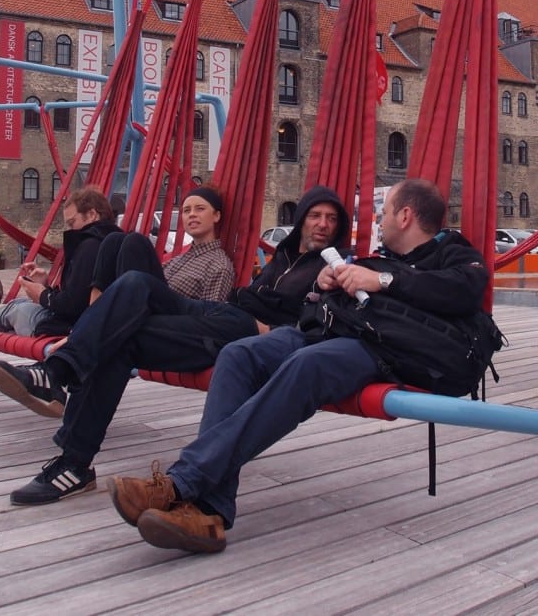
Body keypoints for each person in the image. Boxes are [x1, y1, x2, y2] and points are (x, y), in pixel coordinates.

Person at [108, 178, 488, 554]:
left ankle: (182, 484)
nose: (379, 220)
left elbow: (464, 290)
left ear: (405, 216)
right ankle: (211, 510)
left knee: (307, 364)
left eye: (384, 212)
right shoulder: (381, 256)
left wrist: (381, 280)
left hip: (381, 351)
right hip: (329, 332)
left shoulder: (452, 253)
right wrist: (326, 286)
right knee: (240, 354)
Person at [0, 185, 351, 506]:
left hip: (245, 334)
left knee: (125, 310)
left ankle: (59, 392)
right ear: (301, 220)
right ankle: (72, 456)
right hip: (221, 315)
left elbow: (317, 325)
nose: (322, 224)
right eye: (315, 216)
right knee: (129, 295)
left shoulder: (333, 270)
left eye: (331, 219)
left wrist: (280, 320)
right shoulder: (284, 259)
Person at [0, 186, 120, 337]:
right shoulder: (116, 241)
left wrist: (42, 294)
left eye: (72, 223)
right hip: (90, 325)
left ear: (92, 214)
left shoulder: (90, 245)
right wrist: (46, 284)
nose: (70, 230)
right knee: (18, 305)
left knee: (17, 308)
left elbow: (73, 306)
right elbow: (81, 295)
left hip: (68, 329)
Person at [88, 186, 235, 306]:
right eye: (186, 210)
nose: (192, 215)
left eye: (200, 209)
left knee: (135, 242)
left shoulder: (218, 265)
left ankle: (97, 322)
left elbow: (212, 318)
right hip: (145, 308)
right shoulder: (179, 260)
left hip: (171, 323)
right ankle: (93, 312)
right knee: (114, 240)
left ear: (216, 216)